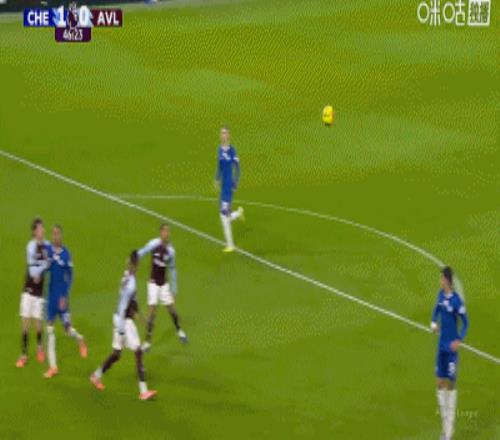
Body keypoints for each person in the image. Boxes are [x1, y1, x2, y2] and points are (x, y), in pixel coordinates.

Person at [90, 251, 157, 400]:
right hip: (123, 321)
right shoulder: (131, 283)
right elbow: (126, 307)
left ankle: (96, 376)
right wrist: (127, 326)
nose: (135, 266)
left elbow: (132, 304)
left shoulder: (126, 276)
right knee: (138, 351)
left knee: (116, 354)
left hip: (118, 318)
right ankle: (143, 391)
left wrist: (142, 319)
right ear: (135, 264)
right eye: (134, 264)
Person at [44, 224, 88, 379]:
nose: (54, 236)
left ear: (61, 235)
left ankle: (80, 338)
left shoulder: (66, 254)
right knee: (49, 329)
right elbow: (46, 269)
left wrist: (65, 295)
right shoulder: (48, 250)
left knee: (68, 329)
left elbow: (70, 276)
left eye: (57, 233)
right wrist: (46, 263)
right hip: (51, 297)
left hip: (62, 297)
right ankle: (53, 367)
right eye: (53, 233)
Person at [431, 266, 469, 440]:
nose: (440, 281)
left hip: (451, 350)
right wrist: (433, 323)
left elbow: (466, 322)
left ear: (447, 280)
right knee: (440, 383)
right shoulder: (440, 295)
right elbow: (436, 310)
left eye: (441, 278)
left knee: (451, 385)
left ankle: (448, 430)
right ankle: (445, 426)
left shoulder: (456, 301)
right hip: (441, 348)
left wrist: (459, 340)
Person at [137, 224, 187, 352]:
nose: (166, 233)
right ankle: (147, 342)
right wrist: (134, 258)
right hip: (153, 283)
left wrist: (174, 289)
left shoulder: (171, 251)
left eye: (168, 231)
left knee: (172, 311)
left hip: (164, 285)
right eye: (164, 231)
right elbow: (143, 251)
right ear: (160, 233)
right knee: (152, 312)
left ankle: (179, 330)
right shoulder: (154, 244)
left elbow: (172, 269)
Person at [16, 217, 49, 368]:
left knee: (38, 323)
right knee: (25, 323)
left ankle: (40, 347)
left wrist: (41, 268)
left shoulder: (47, 246)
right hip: (28, 290)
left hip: (39, 291)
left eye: (43, 228)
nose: (43, 230)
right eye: (40, 228)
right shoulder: (31, 246)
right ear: (35, 232)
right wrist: (42, 267)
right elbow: (32, 270)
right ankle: (23, 354)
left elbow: (48, 264)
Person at [215, 126, 244, 252]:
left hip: (228, 186)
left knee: (223, 215)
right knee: (225, 215)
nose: (223, 135)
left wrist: (235, 182)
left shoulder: (232, 151)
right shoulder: (219, 150)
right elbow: (219, 166)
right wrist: (217, 179)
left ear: (229, 135)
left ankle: (230, 245)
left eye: (225, 133)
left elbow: (238, 168)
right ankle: (238, 213)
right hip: (223, 186)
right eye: (222, 133)